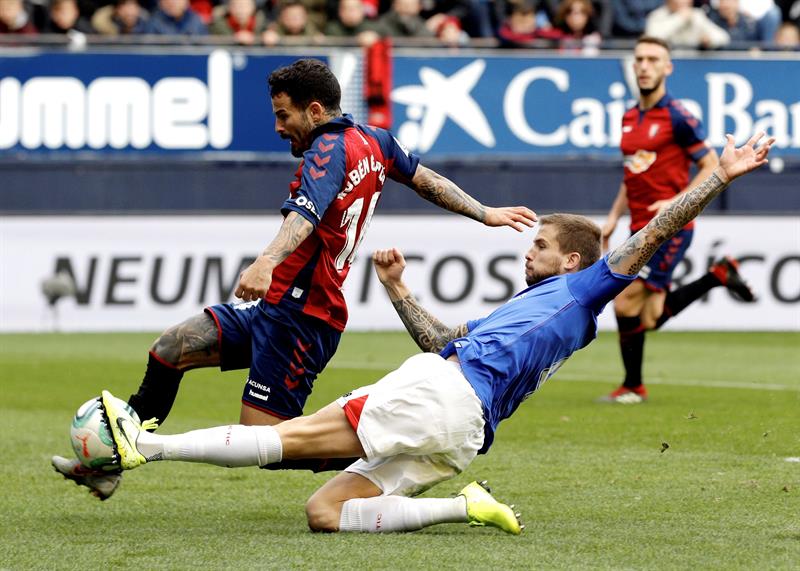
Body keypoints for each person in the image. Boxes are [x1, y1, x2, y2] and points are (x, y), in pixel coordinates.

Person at [99, 132, 773, 534]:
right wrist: (399, 293)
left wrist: (716, 175)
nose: (527, 250)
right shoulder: (532, 311)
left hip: (444, 398)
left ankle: (144, 447)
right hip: (464, 437)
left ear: (573, 259)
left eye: (539, 244)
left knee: (287, 437)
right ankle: (465, 507)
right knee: (325, 511)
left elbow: (655, 230)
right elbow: (439, 337)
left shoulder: (584, 286)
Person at [51, 58, 537, 500]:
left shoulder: (327, 149)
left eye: (284, 115)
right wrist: (484, 212)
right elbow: (426, 179)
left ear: (316, 110)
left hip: (305, 316)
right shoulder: (376, 141)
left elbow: (305, 214)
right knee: (173, 347)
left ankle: (396, 452)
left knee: (264, 440)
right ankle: (112, 460)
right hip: (279, 307)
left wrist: (265, 262)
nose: (279, 126)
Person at [599, 36, 755, 404]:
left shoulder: (678, 116)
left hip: (669, 228)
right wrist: (611, 218)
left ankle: (633, 387)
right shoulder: (628, 117)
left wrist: (675, 201)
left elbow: (710, 164)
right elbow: (631, 173)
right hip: (638, 226)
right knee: (648, 318)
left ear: (668, 67)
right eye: (639, 59)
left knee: (624, 303)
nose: (644, 65)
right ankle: (717, 276)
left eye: (654, 59)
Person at [644, 0, 730, 49]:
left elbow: (724, 37)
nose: (684, 2)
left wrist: (710, 39)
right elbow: (651, 38)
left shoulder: (696, 15)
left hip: (692, 66)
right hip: (667, 63)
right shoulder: (657, 15)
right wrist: (679, 18)